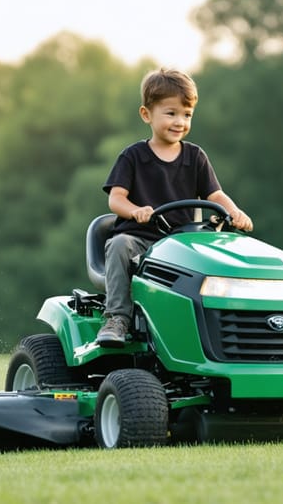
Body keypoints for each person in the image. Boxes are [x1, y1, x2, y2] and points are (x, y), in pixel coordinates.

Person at [96, 68, 253, 347]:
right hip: (141, 240)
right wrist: (135, 211)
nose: (179, 121)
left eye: (187, 114)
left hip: (183, 244)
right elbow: (115, 199)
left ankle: (227, 334)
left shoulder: (195, 157)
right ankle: (117, 319)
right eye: (171, 113)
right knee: (118, 244)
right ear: (147, 114)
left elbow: (215, 194)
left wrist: (235, 213)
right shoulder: (133, 156)